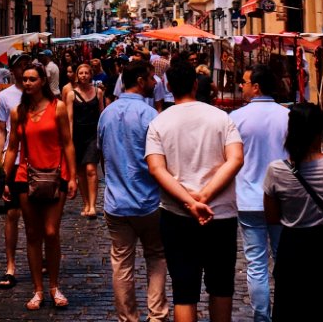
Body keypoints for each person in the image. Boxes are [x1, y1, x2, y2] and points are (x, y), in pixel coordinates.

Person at [145, 61, 243, 322]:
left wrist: (190, 201)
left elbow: (157, 169)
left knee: (184, 292)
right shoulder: (221, 118)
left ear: (167, 86)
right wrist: (205, 197)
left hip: (178, 216)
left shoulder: (159, 122)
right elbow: (235, 159)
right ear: (195, 84)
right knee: (221, 287)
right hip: (219, 215)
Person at [264, 102, 323, 321]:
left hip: (293, 248)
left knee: (292, 309)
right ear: (320, 132)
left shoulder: (276, 169)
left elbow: (272, 216)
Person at [97, 61, 169, 322]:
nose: (155, 83)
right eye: (151, 78)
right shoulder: (150, 116)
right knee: (156, 256)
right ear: (140, 80)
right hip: (149, 201)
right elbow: (160, 161)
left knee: (122, 263)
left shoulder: (106, 114)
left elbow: (102, 156)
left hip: (116, 202)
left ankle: (128, 318)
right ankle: (157, 315)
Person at [2, 62, 77, 310]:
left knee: (51, 232)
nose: (28, 83)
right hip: (26, 176)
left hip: (56, 176)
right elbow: (12, 147)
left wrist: (73, 176)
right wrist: (5, 179)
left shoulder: (58, 108)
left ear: (43, 81)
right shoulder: (17, 112)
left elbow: (67, 143)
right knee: (32, 234)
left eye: (32, 79)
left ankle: (54, 286)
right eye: (24, 79)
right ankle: (38, 289)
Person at [229, 64, 290, 322]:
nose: (240, 86)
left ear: (256, 87)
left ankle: (261, 318)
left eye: (244, 82)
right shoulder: (288, 116)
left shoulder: (236, 118)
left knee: (256, 265)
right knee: (283, 261)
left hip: (248, 200)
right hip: (282, 199)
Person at [0, 50, 30, 289]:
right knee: (12, 214)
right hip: (13, 162)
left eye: (27, 64)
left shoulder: (41, 95)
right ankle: (11, 265)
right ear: (12, 70)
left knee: (36, 216)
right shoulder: (5, 97)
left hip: (37, 162)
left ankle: (41, 258)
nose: (24, 69)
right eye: (20, 65)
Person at [65, 62, 103, 217]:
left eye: (86, 73)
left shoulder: (98, 92)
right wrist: (70, 140)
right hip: (78, 135)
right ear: (77, 75)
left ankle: (93, 205)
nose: (84, 76)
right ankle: (86, 203)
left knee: (91, 169)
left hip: (93, 134)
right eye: (81, 73)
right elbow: (70, 119)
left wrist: (102, 135)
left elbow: (102, 114)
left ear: (90, 75)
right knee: (80, 172)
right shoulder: (71, 94)